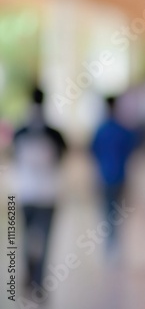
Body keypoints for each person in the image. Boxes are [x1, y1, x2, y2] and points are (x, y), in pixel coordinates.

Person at [12, 87, 67, 289]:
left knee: (27, 237)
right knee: (45, 239)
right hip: (47, 194)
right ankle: (38, 280)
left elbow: (13, 157)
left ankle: (29, 277)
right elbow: (62, 157)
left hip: (26, 193)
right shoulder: (54, 133)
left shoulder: (20, 132)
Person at [90, 96, 137, 255]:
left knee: (107, 210)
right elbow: (131, 149)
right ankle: (114, 241)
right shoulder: (122, 130)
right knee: (117, 211)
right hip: (119, 176)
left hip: (105, 176)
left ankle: (110, 243)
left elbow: (93, 151)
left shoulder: (101, 130)